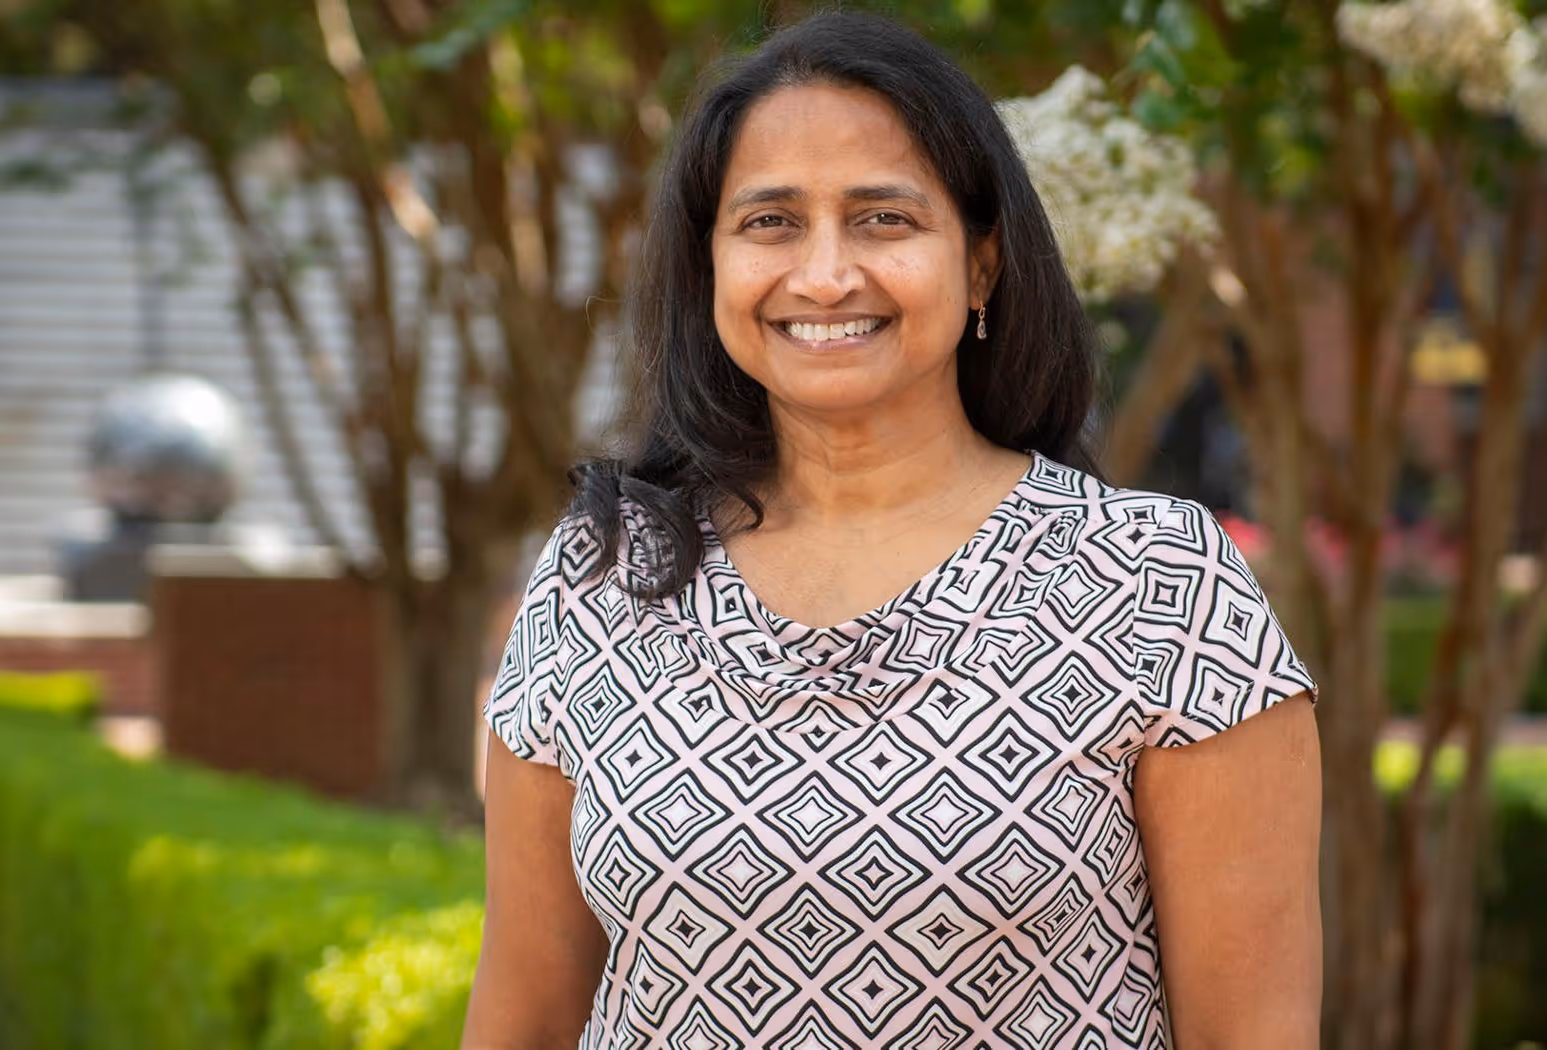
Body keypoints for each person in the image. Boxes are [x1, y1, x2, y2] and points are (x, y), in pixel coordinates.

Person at [462, 11, 1321, 1049]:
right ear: (709, 266)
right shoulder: (601, 575)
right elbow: (522, 1018)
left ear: (983, 265)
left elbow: (1249, 1033)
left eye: (883, 219)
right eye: (770, 222)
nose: (824, 276)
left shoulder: (1155, 583)